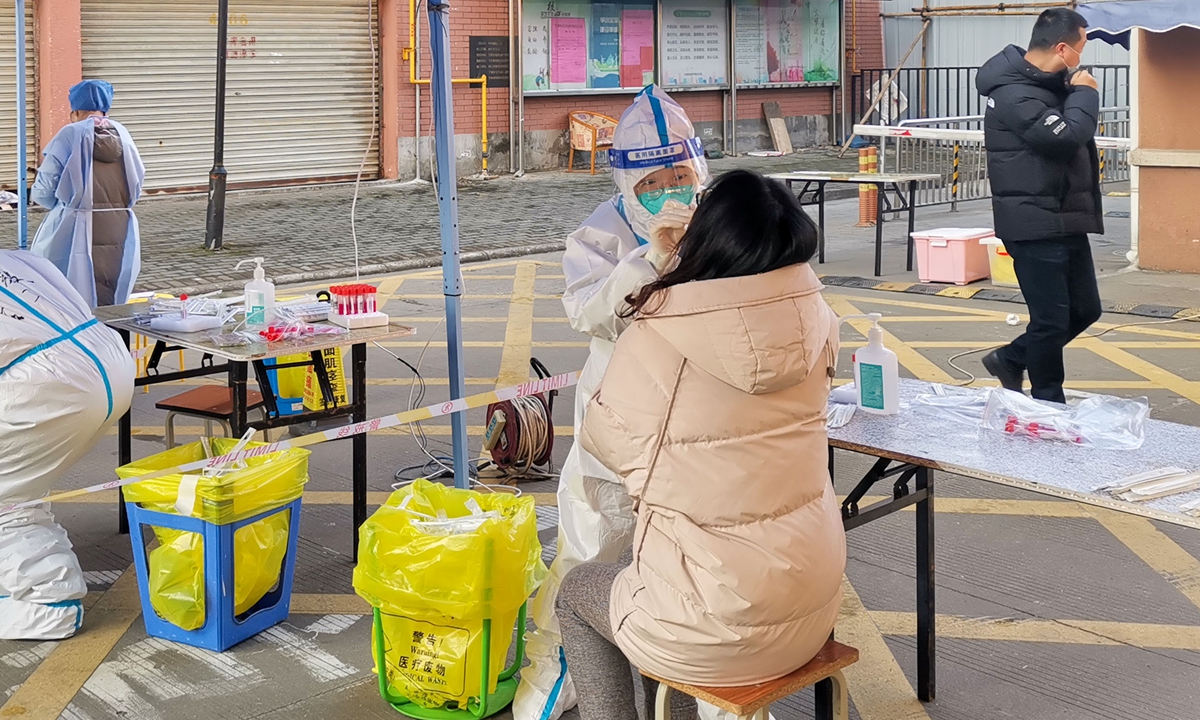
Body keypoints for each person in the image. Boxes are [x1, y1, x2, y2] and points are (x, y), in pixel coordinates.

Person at [556, 169, 846, 720]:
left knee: (579, 592)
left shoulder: (661, 329)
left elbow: (608, 444)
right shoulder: (820, 319)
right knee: (666, 591)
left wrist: (663, 264)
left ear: (709, 236)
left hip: (710, 625)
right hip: (811, 611)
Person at [513, 85, 710, 720]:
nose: (670, 190)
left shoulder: (723, 219)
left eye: (679, 174)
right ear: (628, 182)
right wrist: (647, 261)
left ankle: (693, 688)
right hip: (621, 413)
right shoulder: (601, 232)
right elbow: (587, 311)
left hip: (698, 418)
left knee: (690, 559)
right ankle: (566, 671)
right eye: (653, 180)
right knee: (593, 546)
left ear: (699, 167)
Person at [0, 250, 135, 639]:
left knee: (5, 493)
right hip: (106, 361)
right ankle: (33, 567)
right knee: (20, 486)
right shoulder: (15, 259)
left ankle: (48, 602)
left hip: (44, 383)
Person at [975, 8, 1104, 404]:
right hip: (1032, 223)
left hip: (1065, 216)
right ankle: (1048, 402)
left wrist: (1073, 90)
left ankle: (1011, 357)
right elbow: (1065, 138)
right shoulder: (1013, 93)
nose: (1082, 57)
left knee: (1085, 310)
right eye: (1081, 46)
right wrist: (1085, 94)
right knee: (1050, 321)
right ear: (1063, 47)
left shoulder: (1050, 86)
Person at [30, 79, 145, 308]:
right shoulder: (123, 134)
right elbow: (138, 178)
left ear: (75, 111)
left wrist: (62, 203)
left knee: (68, 298)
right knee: (109, 294)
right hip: (120, 225)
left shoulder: (70, 134)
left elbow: (43, 189)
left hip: (75, 227)